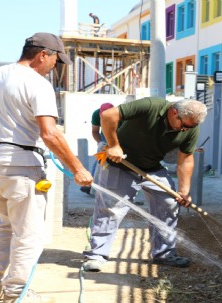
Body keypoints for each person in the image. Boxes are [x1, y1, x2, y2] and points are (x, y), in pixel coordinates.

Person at [0, 32, 94, 303]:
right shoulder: (38, 84)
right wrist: (79, 169)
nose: (54, 67)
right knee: (29, 234)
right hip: (23, 167)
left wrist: (10, 126)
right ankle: (17, 292)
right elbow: (50, 134)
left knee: (5, 228)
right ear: (42, 55)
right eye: (54, 60)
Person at [83, 98, 208, 271]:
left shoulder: (189, 128)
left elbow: (186, 159)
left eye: (190, 127)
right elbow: (108, 115)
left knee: (169, 203)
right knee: (111, 208)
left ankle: (164, 254)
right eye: (183, 126)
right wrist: (113, 145)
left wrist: (184, 191)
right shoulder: (151, 106)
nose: (185, 130)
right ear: (174, 113)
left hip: (152, 167)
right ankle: (97, 255)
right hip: (120, 164)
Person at [80, 102, 114, 195]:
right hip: (104, 136)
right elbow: (95, 131)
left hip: (119, 135)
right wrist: (100, 143)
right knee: (100, 159)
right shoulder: (96, 114)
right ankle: (92, 185)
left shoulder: (119, 116)